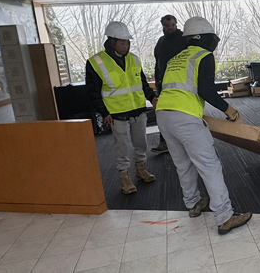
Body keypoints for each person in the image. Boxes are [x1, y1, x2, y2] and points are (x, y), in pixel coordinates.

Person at [154, 16, 251, 235]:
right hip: (185, 117)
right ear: (206, 38)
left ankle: (193, 203)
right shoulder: (203, 56)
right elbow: (205, 90)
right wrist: (230, 111)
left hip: (163, 115)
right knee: (209, 165)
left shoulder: (175, 58)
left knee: (183, 164)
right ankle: (225, 217)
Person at [86, 21, 158, 194]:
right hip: (116, 114)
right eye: (121, 42)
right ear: (111, 42)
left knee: (141, 143)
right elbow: (93, 92)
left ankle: (141, 170)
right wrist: (103, 112)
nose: (125, 45)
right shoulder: (96, 62)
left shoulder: (134, 59)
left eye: (127, 42)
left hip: (138, 110)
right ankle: (124, 178)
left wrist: (152, 97)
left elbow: (142, 83)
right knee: (122, 147)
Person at [151, 14, 185, 154]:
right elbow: (157, 61)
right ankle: (164, 142)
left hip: (180, 83)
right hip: (163, 84)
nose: (170, 28)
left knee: (181, 112)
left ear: (176, 24)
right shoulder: (161, 41)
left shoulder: (184, 39)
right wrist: (157, 79)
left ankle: (182, 141)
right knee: (163, 112)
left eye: (172, 25)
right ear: (162, 26)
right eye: (167, 26)